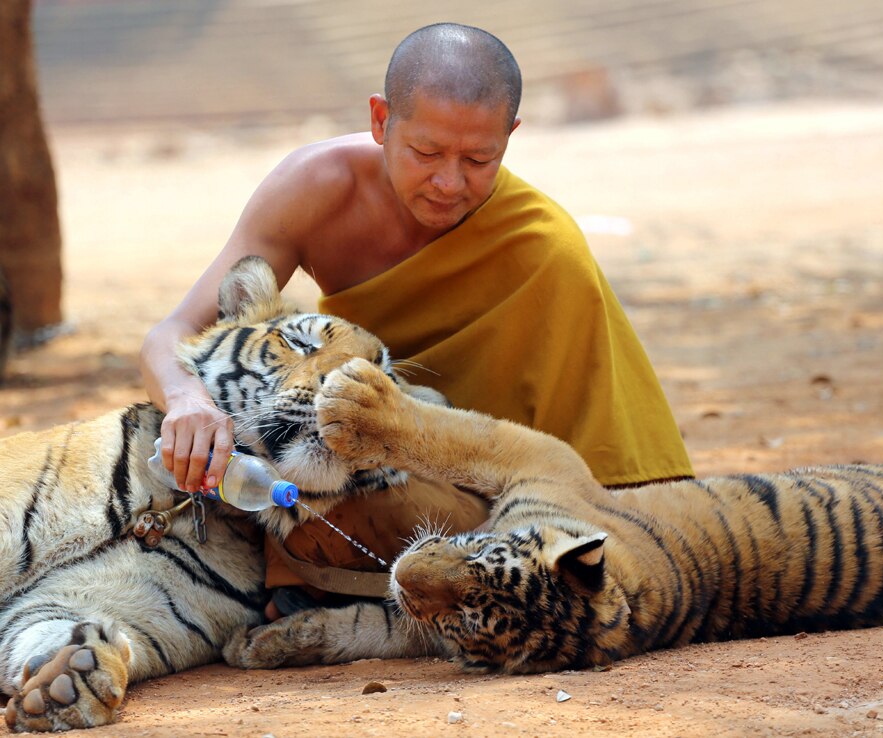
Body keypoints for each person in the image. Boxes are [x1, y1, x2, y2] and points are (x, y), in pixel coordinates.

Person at [140, 22, 693, 619]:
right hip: (366, 447)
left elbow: (603, 462)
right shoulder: (315, 189)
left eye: (480, 159)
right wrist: (185, 399)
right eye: (425, 153)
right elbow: (170, 334)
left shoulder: (545, 248)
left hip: (493, 489)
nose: (449, 183)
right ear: (381, 121)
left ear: (511, 136)